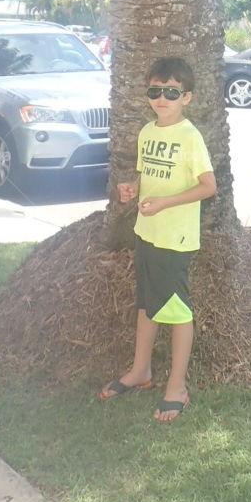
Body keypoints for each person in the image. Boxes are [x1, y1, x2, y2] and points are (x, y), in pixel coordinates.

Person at [99, 56, 216, 423]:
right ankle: (140, 371)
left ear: (187, 98)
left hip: (174, 238)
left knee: (177, 311)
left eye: (171, 92)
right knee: (146, 305)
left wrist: (166, 202)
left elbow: (208, 187)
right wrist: (134, 189)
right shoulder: (147, 132)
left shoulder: (190, 137)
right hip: (146, 233)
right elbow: (150, 176)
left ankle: (177, 388)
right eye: (155, 91)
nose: (161, 98)